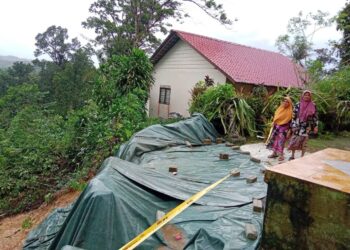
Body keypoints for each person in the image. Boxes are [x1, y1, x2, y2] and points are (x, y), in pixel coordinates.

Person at [288, 90, 318, 160]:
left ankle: (302, 157)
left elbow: (315, 117)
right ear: (302, 96)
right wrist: (293, 125)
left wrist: (316, 126)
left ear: (310, 97)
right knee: (294, 140)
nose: (307, 96)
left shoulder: (313, 105)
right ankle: (292, 155)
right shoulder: (298, 104)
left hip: (307, 126)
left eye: (308, 95)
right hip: (297, 125)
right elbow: (293, 116)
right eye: (305, 95)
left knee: (304, 141)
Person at [266, 97, 293, 161]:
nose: (285, 103)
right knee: (274, 140)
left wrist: (290, 131)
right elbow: (276, 118)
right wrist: (273, 123)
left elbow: (292, 122)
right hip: (276, 127)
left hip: (284, 129)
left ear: (290, 103)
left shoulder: (291, 111)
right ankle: (274, 153)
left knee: (281, 142)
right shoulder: (279, 109)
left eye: (287, 102)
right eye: (284, 101)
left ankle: (281, 155)